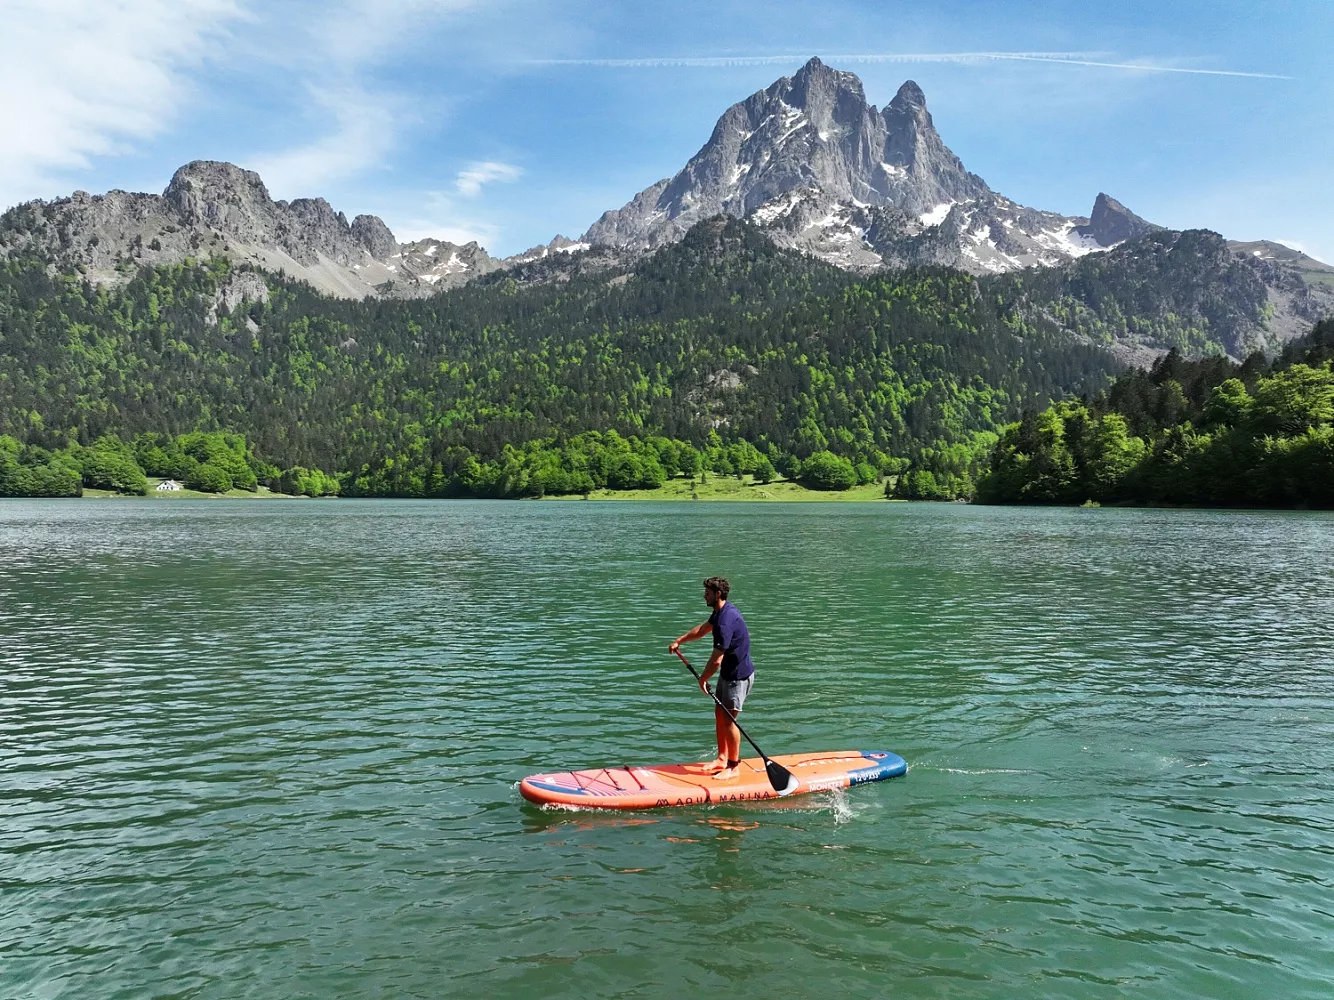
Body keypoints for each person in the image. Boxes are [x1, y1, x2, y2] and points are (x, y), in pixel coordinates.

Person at [668, 576, 754, 781]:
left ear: (718, 594)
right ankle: (722, 758)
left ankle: (734, 767)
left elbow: (716, 660)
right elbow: (703, 629)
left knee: (729, 721)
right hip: (728, 673)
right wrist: (680, 640)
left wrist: (702, 679)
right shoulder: (719, 613)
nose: (704, 595)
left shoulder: (725, 620)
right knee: (719, 714)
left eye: (707, 592)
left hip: (738, 677)